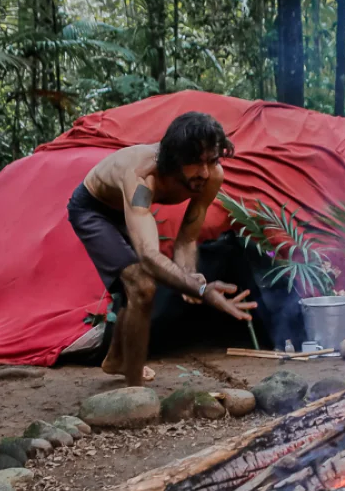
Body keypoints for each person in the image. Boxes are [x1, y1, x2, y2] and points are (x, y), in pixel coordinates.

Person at [68, 111, 256, 387]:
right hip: (93, 209)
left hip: (126, 210)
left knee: (131, 288)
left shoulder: (211, 176)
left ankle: (116, 360)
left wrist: (189, 275)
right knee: (141, 285)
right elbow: (148, 256)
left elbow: (187, 239)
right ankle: (134, 391)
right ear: (174, 158)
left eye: (211, 160)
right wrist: (202, 291)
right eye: (194, 162)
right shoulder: (144, 177)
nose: (203, 172)